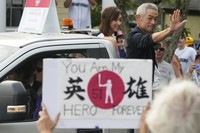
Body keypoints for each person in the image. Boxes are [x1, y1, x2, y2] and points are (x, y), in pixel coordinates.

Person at [126, 3, 187, 82]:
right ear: (138, 18)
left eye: (155, 19)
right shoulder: (133, 36)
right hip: (136, 86)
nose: (153, 22)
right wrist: (170, 30)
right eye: (150, 18)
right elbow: (149, 39)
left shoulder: (148, 36)